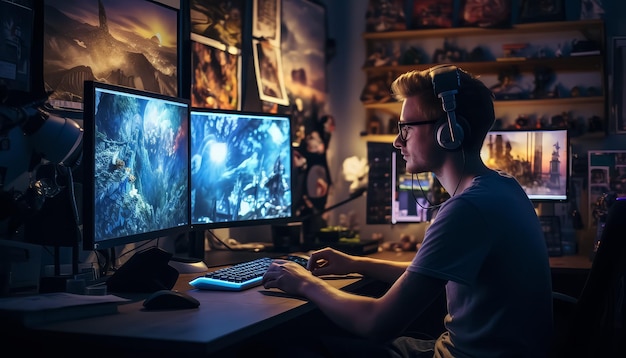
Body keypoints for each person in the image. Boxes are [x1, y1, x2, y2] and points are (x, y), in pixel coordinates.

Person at [262, 64, 554, 357]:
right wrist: (357, 263)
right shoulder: (502, 186)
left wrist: (304, 283)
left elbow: (377, 323)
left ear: (448, 132)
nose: (397, 140)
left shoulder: (468, 208)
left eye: (406, 128)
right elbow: (428, 274)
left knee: (294, 345)